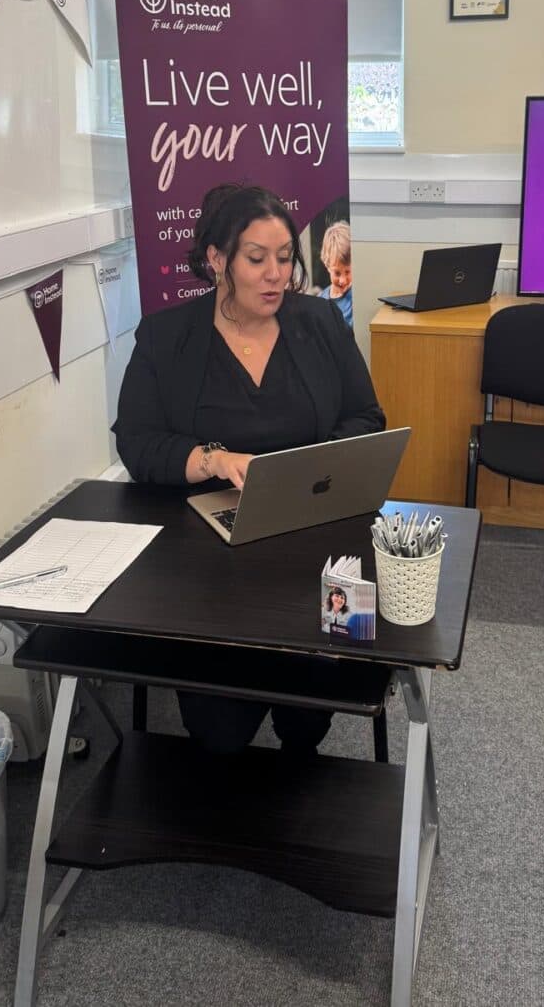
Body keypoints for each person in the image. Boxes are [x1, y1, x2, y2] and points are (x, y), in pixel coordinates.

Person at [113, 183, 385, 755]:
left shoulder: (320, 322)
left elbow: (367, 416)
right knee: (219, 727)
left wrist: (314, 465)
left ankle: (303, 748)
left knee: (320, 704)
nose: (275, 275)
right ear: (217, 260)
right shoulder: (167, 337)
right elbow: (136, 444)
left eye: (284, 258)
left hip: (319, 535)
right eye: (256, 259)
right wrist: (215, 459)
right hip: (207, 551)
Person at [317, 220, 353, 328]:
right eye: (337, 273)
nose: (343, 280)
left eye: (348, 272)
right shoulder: (321, 301)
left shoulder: (356, 298)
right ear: (327, 266)